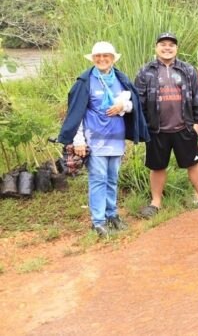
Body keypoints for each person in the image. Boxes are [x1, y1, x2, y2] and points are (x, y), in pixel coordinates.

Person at [58, 42, 149, 236]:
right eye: (97, 56)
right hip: (95, 141)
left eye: (106, 56)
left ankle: (112, 215)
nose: (101, 59)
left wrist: (122, 107)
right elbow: (76, 113)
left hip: (116, 140)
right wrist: (79, 140)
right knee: (98, 179)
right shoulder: (85, 81)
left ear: (113, 58)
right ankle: (98, 221)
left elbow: (134, 106)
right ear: (92, 59)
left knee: (112, 179)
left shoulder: (120, 78)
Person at [135, 32, 198, 218]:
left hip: (184, 127)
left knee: (194, 163)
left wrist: (196, 124)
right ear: (156, 48)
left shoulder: (188, 70)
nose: (167, 48)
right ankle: (155, 203)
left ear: (176, 49)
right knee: (157, 166)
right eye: (163, 44)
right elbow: (139, 101)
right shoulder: (146, 71)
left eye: (171, 45)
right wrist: (145, 127)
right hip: (157, 130)